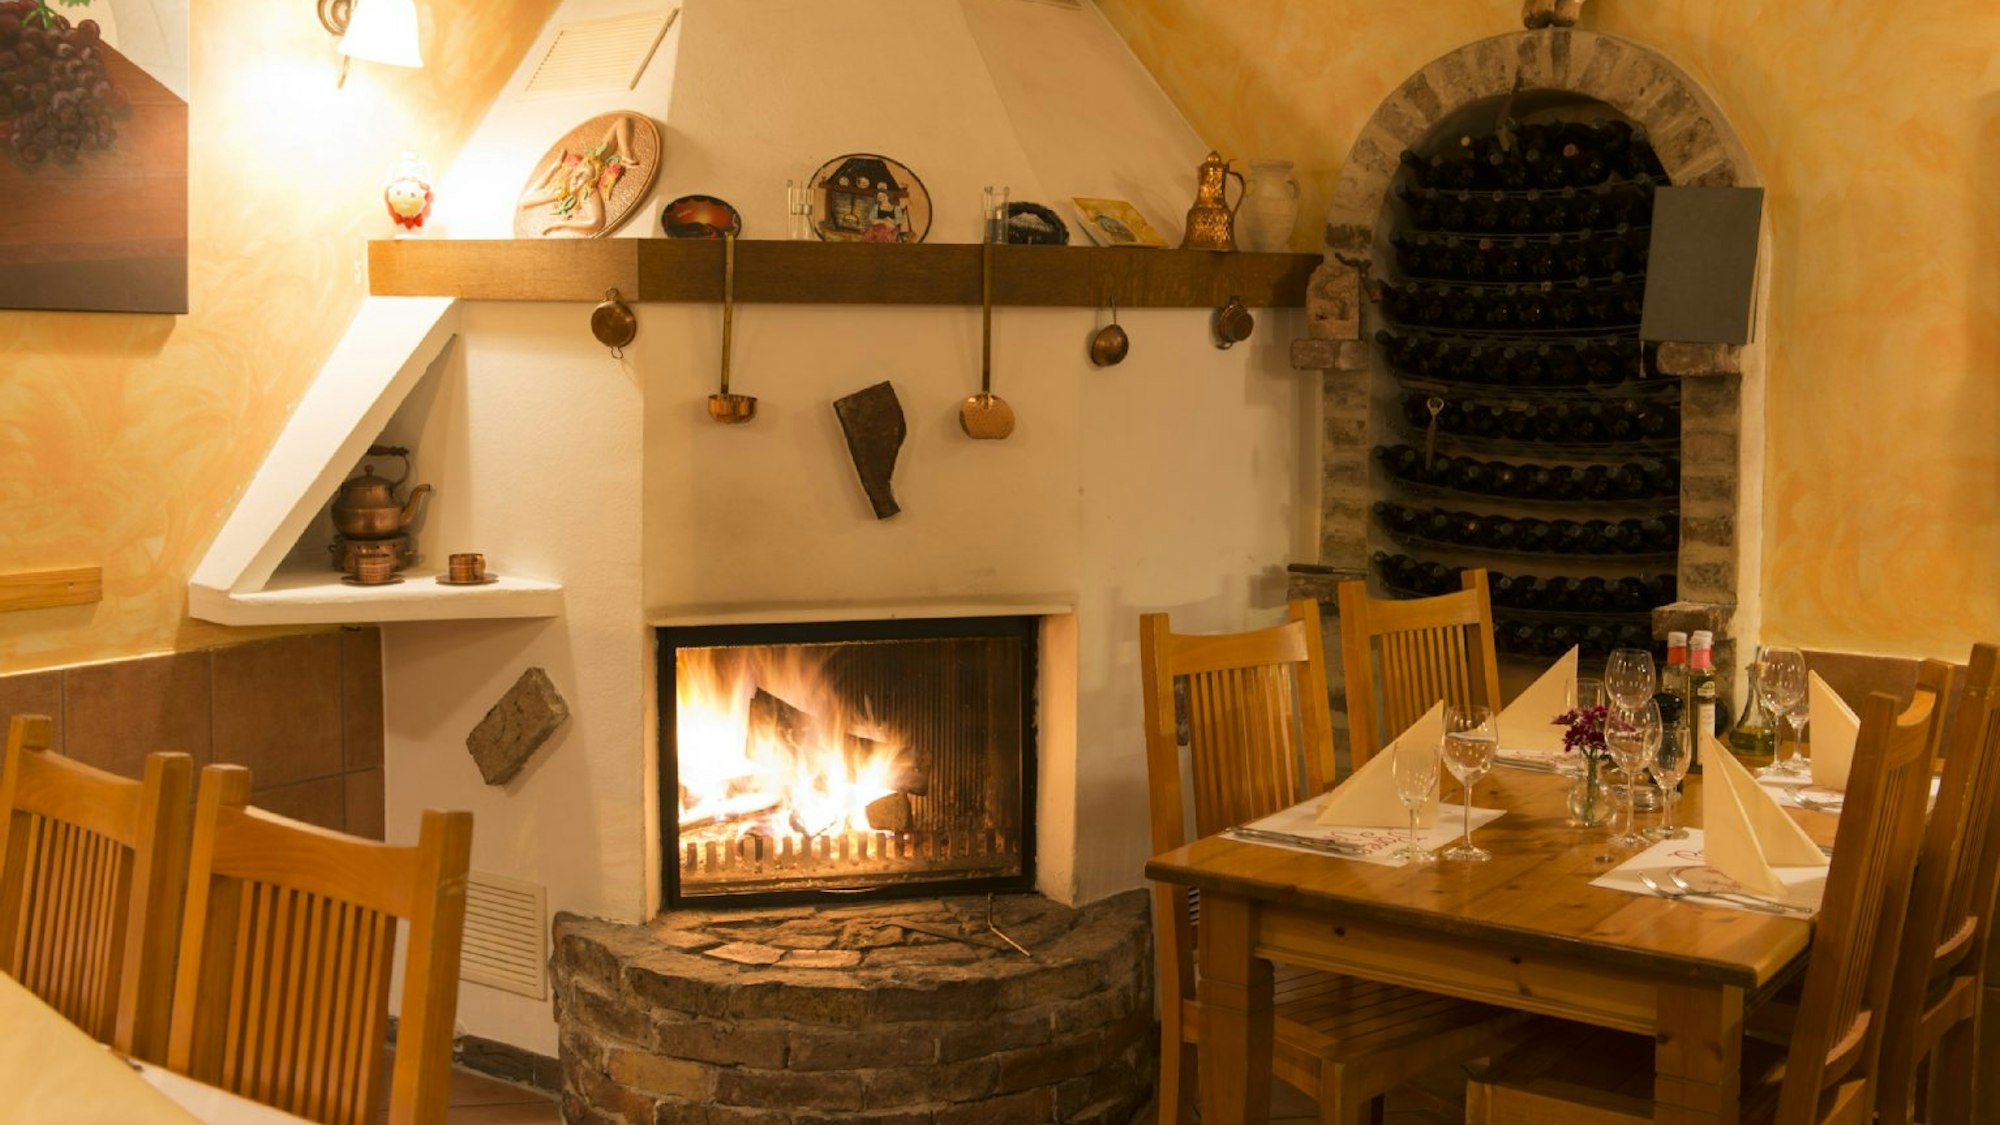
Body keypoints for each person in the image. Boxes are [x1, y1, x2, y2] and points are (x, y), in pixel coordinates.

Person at [518, 115, 643, 237]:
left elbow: (596, 222)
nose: (577, 178)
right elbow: (524, 202)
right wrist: (554, 167)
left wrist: (626, 152)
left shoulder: (593, 168)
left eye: (583, 175)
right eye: (578, 175)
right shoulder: (567, 189)